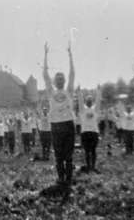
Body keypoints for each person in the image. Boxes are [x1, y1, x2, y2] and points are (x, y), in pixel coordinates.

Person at [43, 41, 75, 187]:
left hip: (68, 124)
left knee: (68, 155)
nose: (60, 80)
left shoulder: (69, 91)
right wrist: (45, 54)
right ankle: (61, 178)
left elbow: (72, 73)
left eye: (62, 78)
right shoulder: (51, 92)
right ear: (54, 81)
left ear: (65, 81)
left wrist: (70, 55)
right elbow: (44, 74)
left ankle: (68, 180)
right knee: (58, 155)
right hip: (55, 125)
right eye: (58, 78)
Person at [77, 85, 101, 173]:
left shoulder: (96, 110)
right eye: (88, 100)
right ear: (86, 102)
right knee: (87, 151)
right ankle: (88, 167)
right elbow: (80, 102)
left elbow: (98, 102)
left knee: (93, 150)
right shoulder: (83, 110)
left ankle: (93, 167)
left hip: (94, 132)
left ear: (92, 102)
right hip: (85, 133)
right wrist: (79, 92)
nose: (89, 102)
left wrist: (98, 92)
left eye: (90, 100)